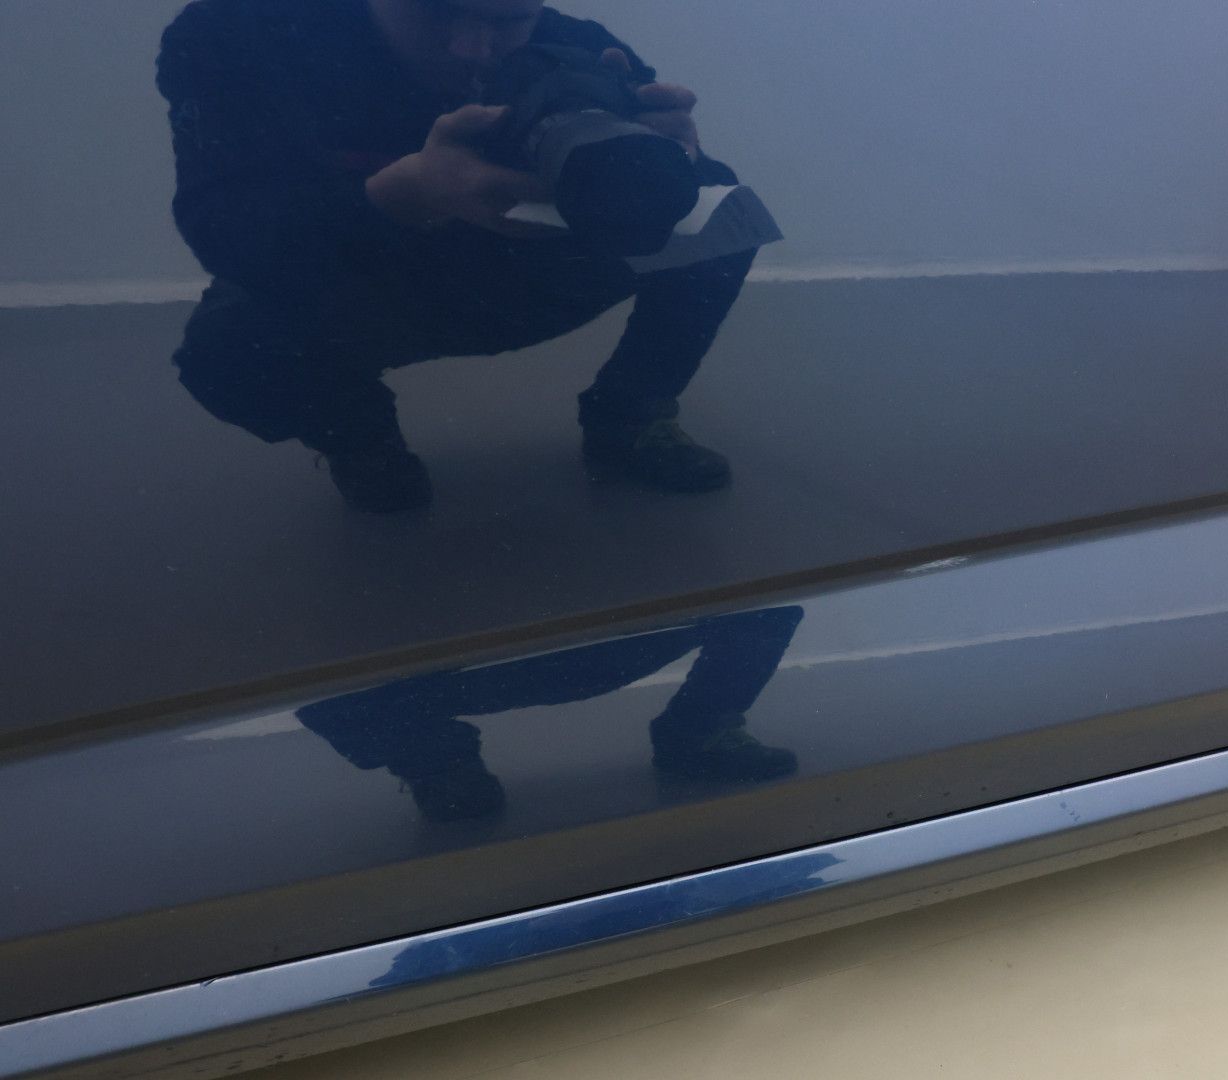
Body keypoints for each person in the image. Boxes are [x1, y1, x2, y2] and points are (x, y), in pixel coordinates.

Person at [156, 0, 756, 511]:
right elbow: (224, 231)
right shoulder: (239, 35)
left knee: (722, 210)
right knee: (228, 350)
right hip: (365, 276)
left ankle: (631, 414)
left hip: (525, 270)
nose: (472, 47)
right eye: (436, 11)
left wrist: (672, 158)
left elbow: (693, 192)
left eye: (509, 20)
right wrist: (400, 195)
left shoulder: (577, 49)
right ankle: (358, 434)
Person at [297, 606, 805, 821]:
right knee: (763, 611)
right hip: (457, 637)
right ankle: (435, 760)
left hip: (597, 607)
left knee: (765, 611)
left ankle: (699, 732)